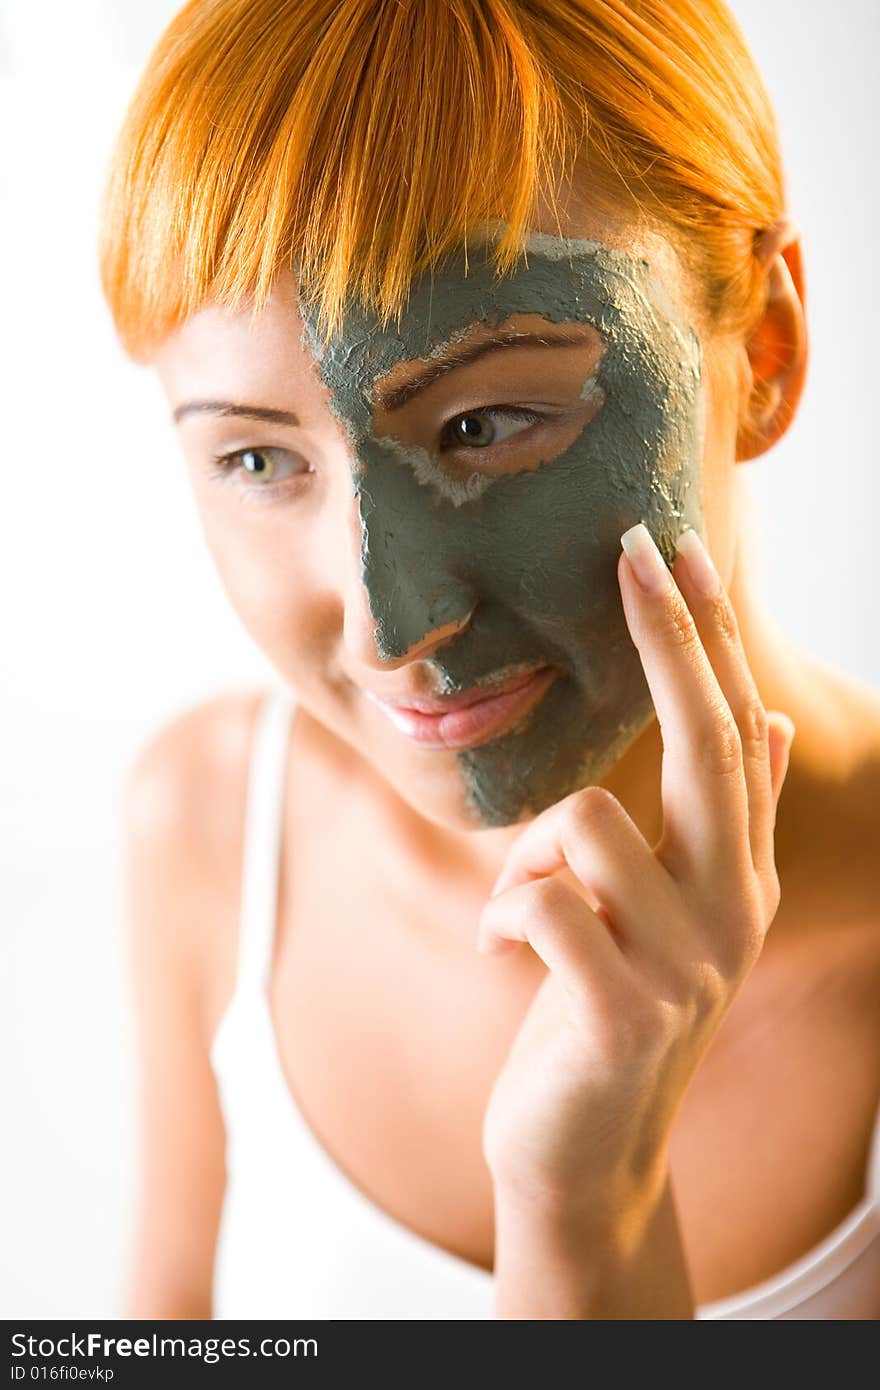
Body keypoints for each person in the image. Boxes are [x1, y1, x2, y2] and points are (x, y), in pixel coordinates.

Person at [102, 0, 880, 1319]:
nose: (387, 627)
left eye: (487, 422)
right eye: (256, 458)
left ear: (763, 351)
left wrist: (587, 1204)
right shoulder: (213, 827)